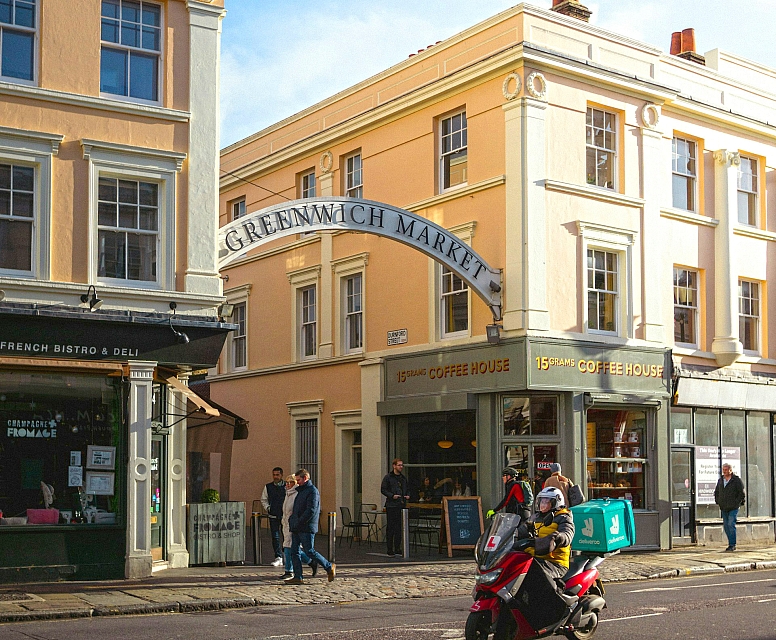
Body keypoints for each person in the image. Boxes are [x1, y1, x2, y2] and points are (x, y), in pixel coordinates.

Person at [286, 469, 336, 585]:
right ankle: (298, 576)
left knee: (309, 551)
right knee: (294, 551)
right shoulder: (301, 491)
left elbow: (311, 510)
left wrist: (298, 521)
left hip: (306, 527)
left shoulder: (312, 491)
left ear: (305, 478)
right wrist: (293, 520)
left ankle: (329, 566)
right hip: (297, 526)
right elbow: (297, 509)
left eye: (299, 480)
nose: (297, 482)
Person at [518, 486, 575, 580]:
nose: (542, 505)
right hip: (535, 558)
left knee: (535, 575)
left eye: (546, 502)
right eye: (541, 502)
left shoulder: (563, 517)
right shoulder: (534, 518)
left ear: (556, 503)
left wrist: (559, 538)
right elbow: (522, 530)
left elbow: (567, 533)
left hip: (555, 562)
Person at [279, 474, 317, 579]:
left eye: (290, 482)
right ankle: (310, 562)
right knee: (290, 548)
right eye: (286, 482)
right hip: (286, 524)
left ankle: (289, 570)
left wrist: (296, 521)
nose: (288, 484)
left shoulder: (297, 493)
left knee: (289, 548)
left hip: (295, 524)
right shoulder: (287, 494)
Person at [380, 458, 409, 557]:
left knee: (399, 528)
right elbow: (383, 489)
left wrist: (407, 495)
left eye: (402, 465)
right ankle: (390, 548)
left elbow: (407, 488)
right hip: (392, 505)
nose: (401, 467)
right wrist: (392, 495)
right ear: (394, 466)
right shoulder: (388, 477)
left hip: (401, 505)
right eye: (399, 465)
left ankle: (397, 548)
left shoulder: (403, 478)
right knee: (391, 527)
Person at [714, 463, 745, 552]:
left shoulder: (736, 480)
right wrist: (718, 501)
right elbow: (717, 491)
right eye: (723, 470)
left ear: (730, 470)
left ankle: (732, 544)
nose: (724, 471)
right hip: (724, 506)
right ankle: (730, 543)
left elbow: (741, 493)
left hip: (733, 507)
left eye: (726, 470)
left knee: (731, 524)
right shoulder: (721, 480)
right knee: (726, 526)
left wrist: (737, 503)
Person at [261, 466, 285, 567]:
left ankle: (287, 556)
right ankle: (278, 556)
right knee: (275, 537)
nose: (275, 477)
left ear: (281, 475)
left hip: (285, 516)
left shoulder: (287, 486)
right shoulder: (268, 487)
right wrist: (268, 508)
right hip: (273, 515)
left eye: (277, 475)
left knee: (287, 537)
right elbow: (264, 499)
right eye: (274, 475)